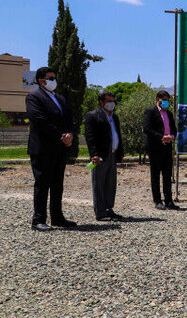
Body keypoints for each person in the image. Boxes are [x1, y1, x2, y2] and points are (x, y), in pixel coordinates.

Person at [25, 67, 76, 231]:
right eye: (50, 78)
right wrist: (61, 136)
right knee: (42, 183)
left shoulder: (59, 98)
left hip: (60, 149)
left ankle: (57, 217)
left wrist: (71, 134)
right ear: (41, 80)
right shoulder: (34, 97)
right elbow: (40, 121)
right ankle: (38, 220)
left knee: (57, 184)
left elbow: (69, 118)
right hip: (43, 148)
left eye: (54, 77)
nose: (54, 80)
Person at [84, 90, 125, 221]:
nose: (111, 103)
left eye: (113, 101)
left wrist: (120, 152)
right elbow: (90, 137)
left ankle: (109, 208)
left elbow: (118, 134)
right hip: (100, 156)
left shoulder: (115, 117)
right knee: (99, 183)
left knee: (110, 183)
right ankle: (100, 212)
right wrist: (93, 154)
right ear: (101, 102)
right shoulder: (93, 116)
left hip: (112, 155)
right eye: (108, 101)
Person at [143, 90, 179, 210]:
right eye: (163, 99)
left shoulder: (168, 114)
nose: (166, 102)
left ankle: (169, 201)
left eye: (167, 100)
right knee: (155, 175)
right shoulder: (150, 112)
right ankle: (157, 201)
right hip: (155, 148)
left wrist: (171, 137)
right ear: (157, 99)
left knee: (167, 175)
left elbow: (174, 129)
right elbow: (147, 129)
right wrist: (161, 137)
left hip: (167, 148)